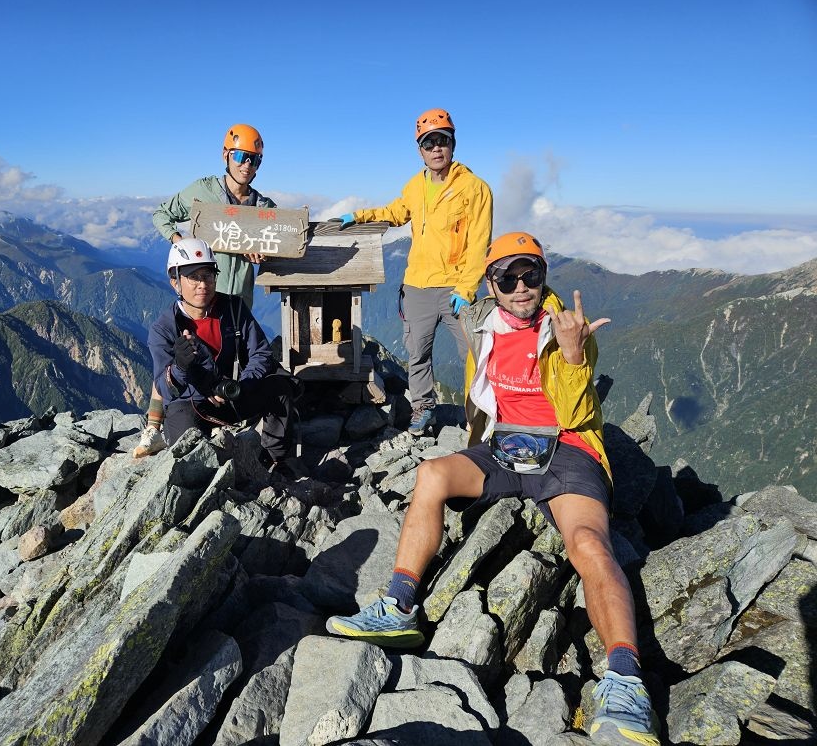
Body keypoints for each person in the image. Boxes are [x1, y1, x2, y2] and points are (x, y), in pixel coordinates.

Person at [326, 232, 660, 745]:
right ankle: (398, 606)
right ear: (491, 284)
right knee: (431, 474)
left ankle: (625, 681)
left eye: (531, 274)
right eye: (508, 277)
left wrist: (574, 356)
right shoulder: (483, 323)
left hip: (568, 448)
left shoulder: (567, 328)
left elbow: (575, 412)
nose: (521, 286)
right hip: (504, 446)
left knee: (589, 543)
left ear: (543, 276)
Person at [333, 108, 492, 436]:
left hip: (456, 289)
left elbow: (479, 243)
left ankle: (480, 414)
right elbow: (395, 212)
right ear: (420, 150)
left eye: (442, 140)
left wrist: (466, 289)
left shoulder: (475, 188)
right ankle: (423, 408)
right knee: (418, 353)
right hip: (417, 285)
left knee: (473, 356)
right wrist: (359, 217)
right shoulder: (415, 186)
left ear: (453, 144)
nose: (436, 148)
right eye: (428, 143)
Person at [134, 123, 275, 458]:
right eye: (241, 156)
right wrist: (180, 243)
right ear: (226, 155)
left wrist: (264, 254)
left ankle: (221, 416)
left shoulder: (264, 207)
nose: (247, 165)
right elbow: (162, 214)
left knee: (228, 357)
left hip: (237, 296)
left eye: (254, 159)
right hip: (199, 290)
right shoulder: (203, 191)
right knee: (181, 350)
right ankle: (154, 426)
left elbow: (280, 243)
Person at [147, 237, 300, 475]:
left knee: (279, 388)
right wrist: (179, 367)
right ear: (175, 282)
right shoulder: (164, 328)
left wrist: (242, 385)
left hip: (231, 395)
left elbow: (261, 353)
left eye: (208, 275)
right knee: (187, 451)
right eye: (193, 277)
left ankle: (275, 460)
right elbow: (164, 389)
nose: (203, 284)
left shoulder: (233, 308)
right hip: (191, 404)